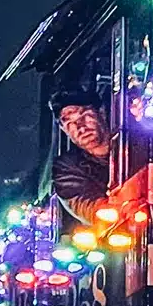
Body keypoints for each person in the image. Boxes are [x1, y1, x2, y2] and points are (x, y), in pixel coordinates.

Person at [49, 89, 114, 227]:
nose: (81, 128)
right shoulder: (66, 167)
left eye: (84, 116)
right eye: (70, 124)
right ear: (65, 130)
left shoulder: (136, 142)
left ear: (101, 112)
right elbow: (85, 205)